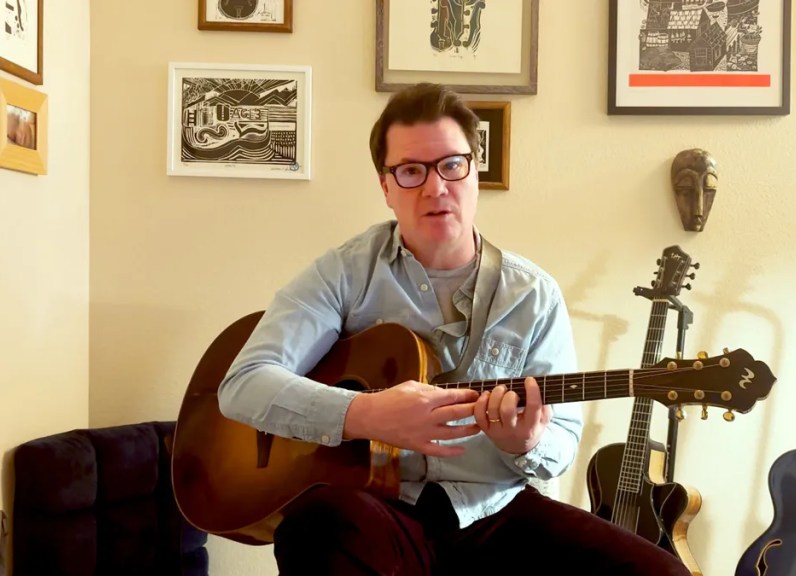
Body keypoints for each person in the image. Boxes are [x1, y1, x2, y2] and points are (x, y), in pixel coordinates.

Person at [218, 82, 690, 576]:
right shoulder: (343, 273)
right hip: (377, 507)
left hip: (493, 510)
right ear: (385, 187)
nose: (435, 187)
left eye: (451, 164)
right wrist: (366, 413)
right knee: (316, 524)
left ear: (475, 170)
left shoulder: (532, 294)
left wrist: (524, 442)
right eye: (410, 170)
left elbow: (562, 445)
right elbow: (243, 385)